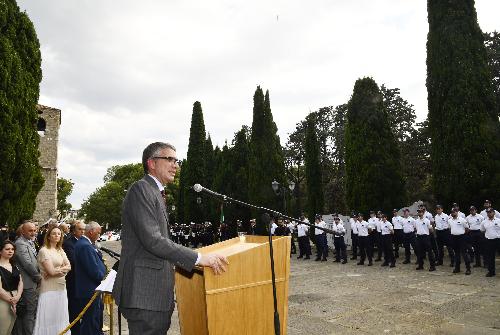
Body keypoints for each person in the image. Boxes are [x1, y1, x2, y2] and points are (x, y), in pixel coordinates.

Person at [112, 142, 228, 335]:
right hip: (145, 292)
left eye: (177, 160)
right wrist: (199, 258)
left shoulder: (154, 192)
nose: (176, 165)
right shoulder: (141, 189)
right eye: (169, 159)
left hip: (152, 294)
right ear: (152, 163)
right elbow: (153, 240)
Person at [32, 225, 71, 334]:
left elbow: (69, 266)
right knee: (48, 318)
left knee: (59, 317)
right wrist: (58, 271)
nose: (57, 235)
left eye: (59, 234)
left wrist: (57, 270)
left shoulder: (60, 249)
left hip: (61, 287)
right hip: (49, 289)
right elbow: (51, 272)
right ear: (48, 236)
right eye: (54, 233)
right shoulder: (44, 251)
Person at [74, 221, 106, 335]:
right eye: (98, 233)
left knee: (94, 321)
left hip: (91, 289)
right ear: (91, 232)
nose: (99, 235)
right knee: (90, 323)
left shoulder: (86, 244)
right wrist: (104, 274)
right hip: (89, 290)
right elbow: (94, 270)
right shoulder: (85, 246)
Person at [13, 221, 42, 335]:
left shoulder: (29, 242)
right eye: (30, 230)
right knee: (29, 312)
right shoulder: (20, 243)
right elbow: (27, 264)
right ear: (23, 231)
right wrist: (39, 277)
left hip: (31, 283)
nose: (33, 233)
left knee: (30, 312)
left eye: (35, 230)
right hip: (28, 283)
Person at [63, 221, 85, 335]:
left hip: (83, 282)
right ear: (73, 231)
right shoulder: (68, 243)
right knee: (74, 309)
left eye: (83, 229)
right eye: (80, 229)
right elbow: (74, 261)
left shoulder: (85, 241)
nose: (83, 231)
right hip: (74, 282)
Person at [0, 240, 23, 335]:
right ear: (0, 251)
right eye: (7, 249)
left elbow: (21, 282)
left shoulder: (14, 265)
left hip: (15, 298)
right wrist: (12, 301)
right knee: (3, 329)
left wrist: (17, 297)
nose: (11, 251)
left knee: (10, 329)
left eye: (12, 249)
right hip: (3, 301)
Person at [449, 209, 471, 275]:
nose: (453, 213)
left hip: (461, 237)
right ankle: (457, 268)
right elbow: (450, 228)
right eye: (452, 212)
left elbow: (467, 229)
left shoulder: (462, 220)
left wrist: (462, 234)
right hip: (454, 238)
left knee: (464, 253)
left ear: (457, 212)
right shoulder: (449, 220)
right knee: (456, 253)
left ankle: (468, 269)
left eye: (454, 212)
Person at [480, 208, 500, 277]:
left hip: (498, 240)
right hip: (489, 241)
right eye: (488, 212)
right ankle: (491, 272)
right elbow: (482, 230)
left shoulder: (499, 220)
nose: (489, 213)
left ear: (494, 213)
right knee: (490, 257)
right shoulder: (484, 222)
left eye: (490, 212)